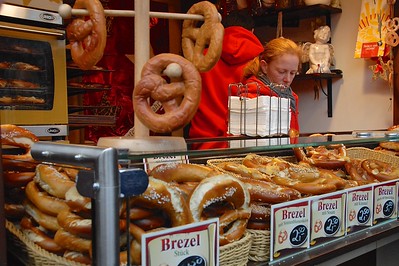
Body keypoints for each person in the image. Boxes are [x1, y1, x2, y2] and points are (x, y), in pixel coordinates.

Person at [187, 8, 264, 144]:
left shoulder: (200, 58)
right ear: (252, 31)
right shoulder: (261, 62)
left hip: (204, 142)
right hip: (244, 144)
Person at [241, 37, 302, 135]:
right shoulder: (251, 97)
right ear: (264, 66)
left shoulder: (291, 96)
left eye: (293, 73)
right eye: (281, 72)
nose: (288, 79)